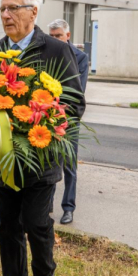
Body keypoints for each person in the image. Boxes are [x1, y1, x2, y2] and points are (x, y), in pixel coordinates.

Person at [0, 0, 85, 276]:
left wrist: (36, 121)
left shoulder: (57, 51)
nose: (6, 15)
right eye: (2, 9)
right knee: (7, 226)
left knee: (36, 222)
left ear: (33, 11)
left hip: (40, 158)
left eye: (13, 8)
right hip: (3, 159)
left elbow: (74, 103)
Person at [47, 19, 89, 225]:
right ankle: (47, 206)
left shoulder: (80, 57)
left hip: (69, 117)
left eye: (58, 36)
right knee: (49, 162)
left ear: (68, 36)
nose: (55, 39)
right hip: (47, 117)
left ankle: (68, 207)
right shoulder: (45, 54)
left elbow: (77, 89)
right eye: (51, 36)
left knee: (70, 166)